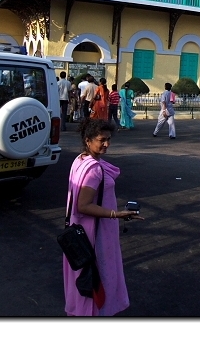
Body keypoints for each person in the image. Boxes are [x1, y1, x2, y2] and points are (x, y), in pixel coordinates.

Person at [63, 118, 142, 316]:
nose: (106, 144)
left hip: (79, 230)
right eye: (101, 140)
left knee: (85, 277)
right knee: (99, 276)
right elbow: (83, 205)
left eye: (108, 139)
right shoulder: (94, 170)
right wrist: (116, 214)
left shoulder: (80, 159)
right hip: (95, 233)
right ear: (88, 140)